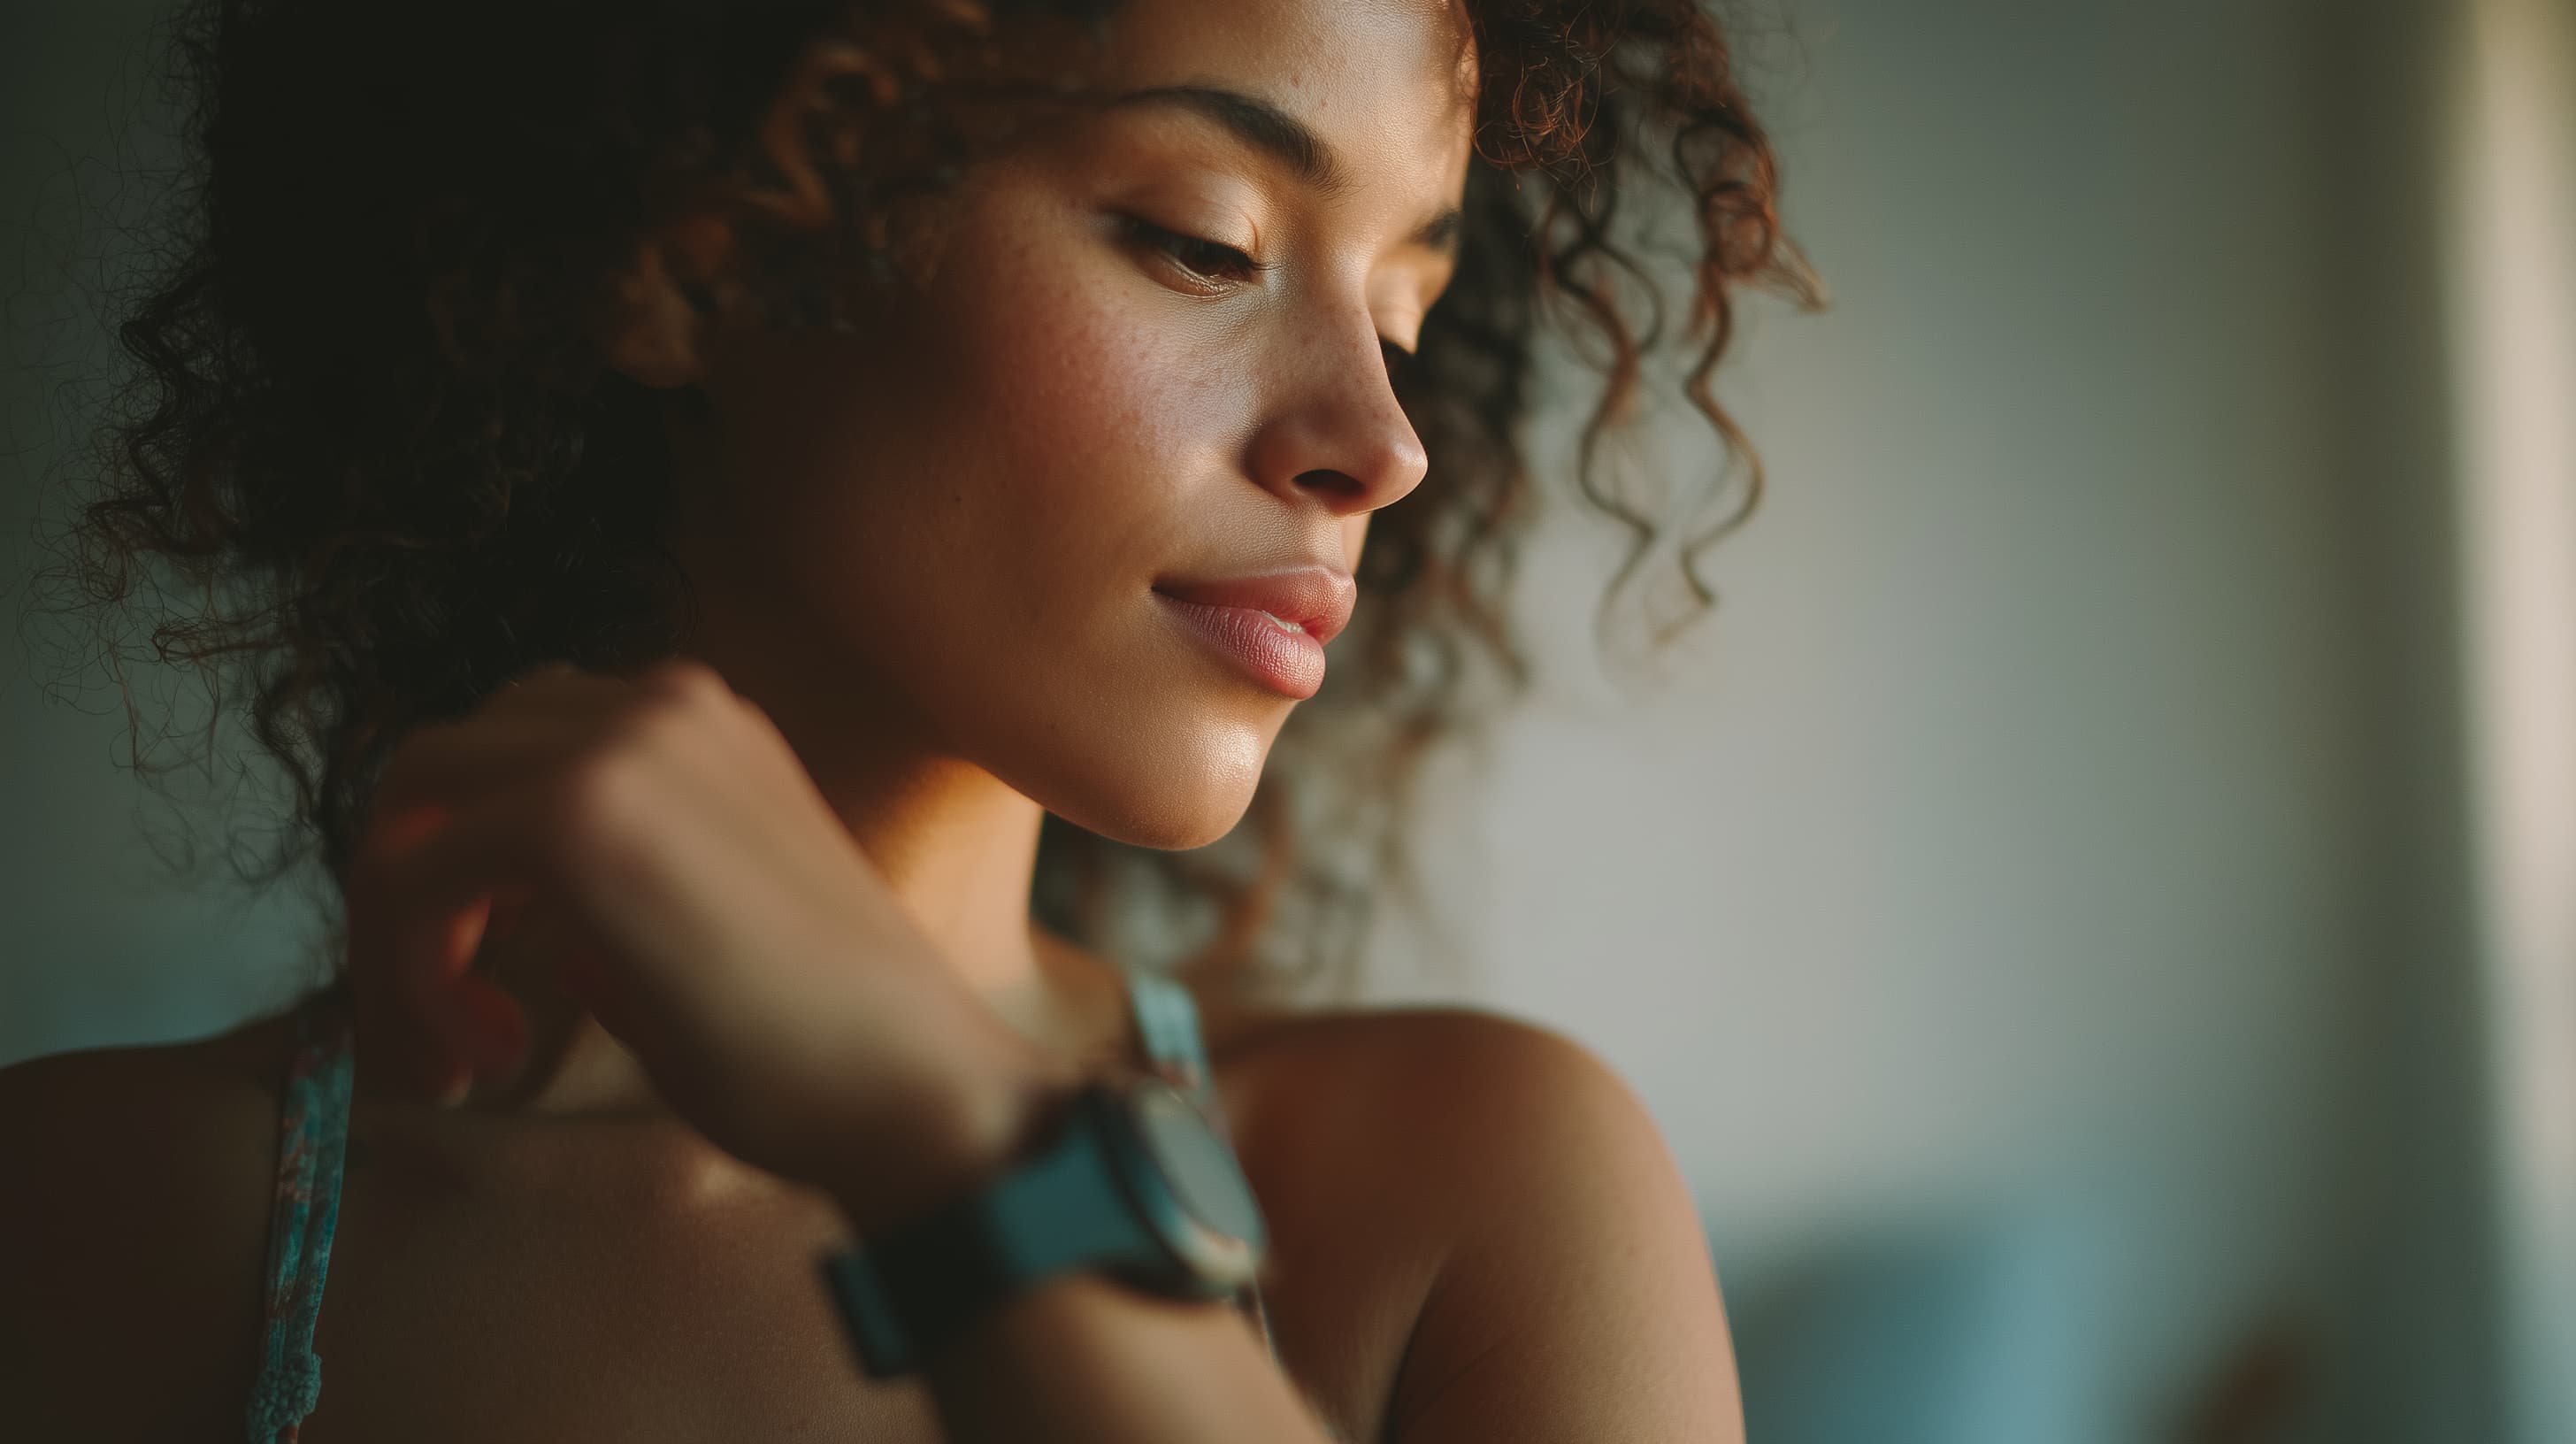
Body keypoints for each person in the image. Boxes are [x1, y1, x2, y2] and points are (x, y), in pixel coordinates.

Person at [0, 0, 1813, 1438]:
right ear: (693, 253)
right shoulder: (94, 1226)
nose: (1381, 443)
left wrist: (941, 1120)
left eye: (1405, 310)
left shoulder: (1468, 1197)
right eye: (1203, 241)